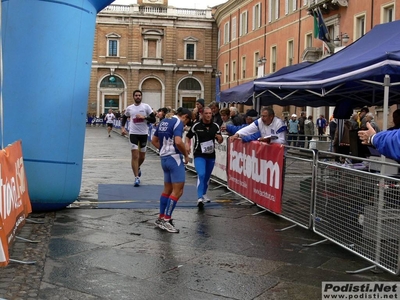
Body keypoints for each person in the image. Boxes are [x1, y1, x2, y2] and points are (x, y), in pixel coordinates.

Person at [151, 107, 192, 233]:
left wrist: (163, 150)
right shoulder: (178, 122)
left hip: (164, 158)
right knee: (178, 191)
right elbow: (178, 141)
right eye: (187, 122)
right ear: (184, 116)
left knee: (167, 190)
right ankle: (166, 220)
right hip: (174, 158)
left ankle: (161, 217)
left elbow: (153, 140)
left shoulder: (164, 121)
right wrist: (185, 154)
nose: (185, 125)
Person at [185, 106, 223, 208]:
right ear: (202, 114)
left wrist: (220, 138)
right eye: (206, 113)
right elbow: (188, 136)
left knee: (207, 176)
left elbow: (220, 140)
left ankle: (204, 193)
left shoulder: (215, 126)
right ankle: (199, 198)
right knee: (201, 174)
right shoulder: (196, 126)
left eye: (210, 113)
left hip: (211, 155)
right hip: (199, 154)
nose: (208, 115)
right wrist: (187, 145)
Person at [121, 90, 156, 187]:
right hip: (133, 133)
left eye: (139, 95)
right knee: (135, 156)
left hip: (144, 133)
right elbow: (124, 117)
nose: (138, 97)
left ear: (141, 97)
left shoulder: (146, 107)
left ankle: (138, 167)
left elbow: (153, 120)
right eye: (136, 95)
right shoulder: (130, 108)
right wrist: (123, 128)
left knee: (142, 157)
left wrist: (144, 117)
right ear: (133, 97)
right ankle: (136, 177)